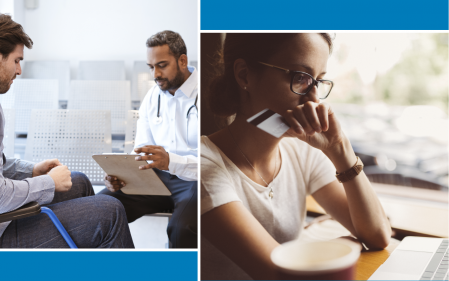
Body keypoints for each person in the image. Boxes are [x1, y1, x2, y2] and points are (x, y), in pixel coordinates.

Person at [201, 33, 392, 279]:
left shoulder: (301, 151)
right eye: (300, 78)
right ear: (244, 75)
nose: (313, 99)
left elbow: (378, 235)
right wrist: (348, 245)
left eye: (319, 81)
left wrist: (338, 147)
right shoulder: (204, 167)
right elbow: (285, 276)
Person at [0, 14, 134, 248]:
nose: (19, 70)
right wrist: (48, 182)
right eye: (16, 61)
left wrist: (33, 170)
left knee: (79, 182)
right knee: (111, 211)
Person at [100, 30, 198, 248]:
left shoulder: (208, 95)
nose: (155, 74)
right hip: (157, 178)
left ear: (182, 61)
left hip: (196, 180)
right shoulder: (153, 96)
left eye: (162, 65)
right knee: (100, 209)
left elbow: (217, 164)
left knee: (182, 229)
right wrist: (122, 174)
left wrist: (171, 161)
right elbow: (141, 151)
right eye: (151, 67)